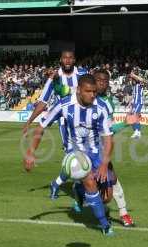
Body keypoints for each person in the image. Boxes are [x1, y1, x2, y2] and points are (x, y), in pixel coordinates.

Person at [24, 75, 114, 236]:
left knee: (107, 198)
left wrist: (103, 164)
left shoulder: (101, 107)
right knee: (90, 183)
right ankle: (105, 225)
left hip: (96, 152)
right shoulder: (64, 105)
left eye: (94, 92)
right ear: (79, 90)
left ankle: (78, 190)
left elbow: (108, 139)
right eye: (88, 91)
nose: (92, 95)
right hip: (76, 153)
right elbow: (41, 127)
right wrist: (31, 153)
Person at [72, 69, 135, 227]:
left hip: (101, 149)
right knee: (112, 180)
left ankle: (81, 191)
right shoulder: (78, 100)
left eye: (105, 81)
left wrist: (124, 124)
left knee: (109, 185)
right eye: (99, 80)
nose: (102, 83)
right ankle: (123, 214)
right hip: (84, 149)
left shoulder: (107, 103)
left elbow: (109, 129)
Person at [22, 50, 83, 200]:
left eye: (70, 58)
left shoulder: (82, 75)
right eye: (64, 58)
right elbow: (43, 103)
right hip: (65, 121)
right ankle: (78, 192)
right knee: (73, 156)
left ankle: (57, 184)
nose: (67, 60)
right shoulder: (53, 79)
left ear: (74, 60)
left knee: (85, 156)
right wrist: (29, 121)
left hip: (83, 119)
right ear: (61, 60)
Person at [128, 72, 144, 139]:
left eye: (132, 79)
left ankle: (136, 132)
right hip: (134, 103)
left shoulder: (140, 84)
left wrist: (134, 75)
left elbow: (142, 80)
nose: (131, 80)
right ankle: (138, 132)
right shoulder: (134, 87)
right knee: (133, 117)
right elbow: (133, 95)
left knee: (134, 116)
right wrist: (130, 103)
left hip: (138, 102)